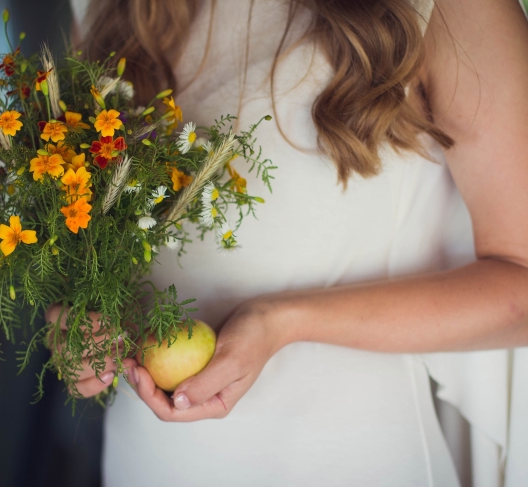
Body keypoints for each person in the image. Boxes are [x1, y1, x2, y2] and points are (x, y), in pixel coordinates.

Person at [62, 0, 528, 485]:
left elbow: (521, 283)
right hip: (149, 462)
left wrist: (281, 322)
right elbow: (79, 250)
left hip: (347, 460)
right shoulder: (109, 10)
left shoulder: (450, 9)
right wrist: (72, 327)